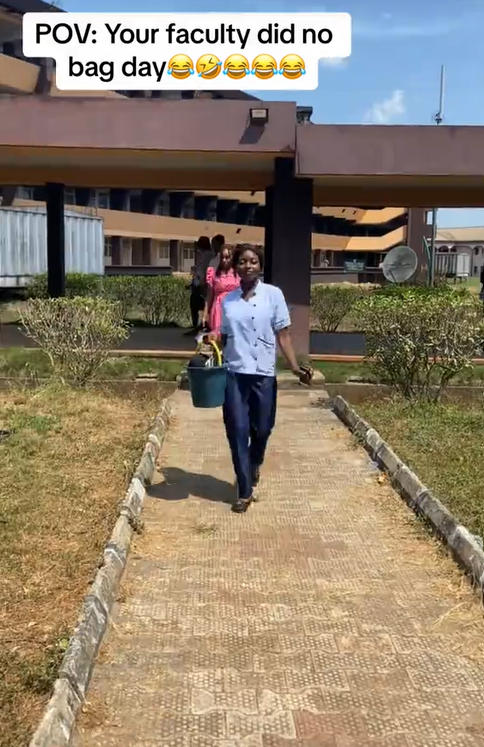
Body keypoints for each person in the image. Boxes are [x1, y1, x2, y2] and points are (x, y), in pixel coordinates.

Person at [217, 245, 312, 513]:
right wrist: (211, 347)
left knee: (263, 428)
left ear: (260, 266)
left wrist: (294, 367)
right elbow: (225, 336)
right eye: (242, 261)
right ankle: (244, 491)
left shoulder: (273, 295)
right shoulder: (228, 301)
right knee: (237, 430)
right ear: (235, 266)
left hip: (263, 374)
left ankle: (254, 462)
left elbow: (283, 334)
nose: (248, 266)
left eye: (253, 261)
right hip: (235, 373)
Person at [203, 244, 240, 336]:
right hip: (218, 310)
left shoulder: (239, 273)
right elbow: (209, 295)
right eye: (222, 257)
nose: (224, 260)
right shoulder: (214, 273)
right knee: (218, 337)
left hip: (235, 308)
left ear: (232, 258)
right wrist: (205, 314)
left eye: (227, 257)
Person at [186, 265, 205, 332]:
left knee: (200, 310)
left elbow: (199, 285)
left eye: (192, 271)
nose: (191, 272)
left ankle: (201, 324)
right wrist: (189, 286)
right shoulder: (194, 278)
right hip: (194, 296)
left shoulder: (199, 277)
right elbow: (193, 284)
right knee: (193, 310)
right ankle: (194, 324)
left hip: (199, 296)